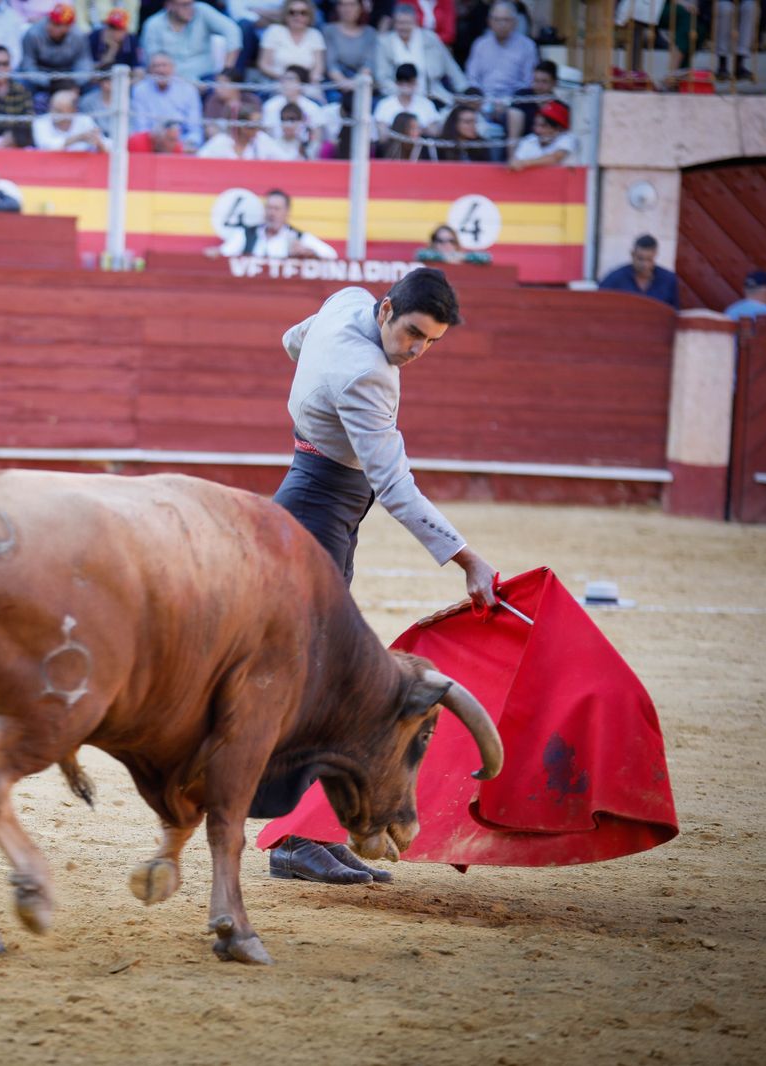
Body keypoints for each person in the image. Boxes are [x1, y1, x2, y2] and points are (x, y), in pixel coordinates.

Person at [268, 267, 499, 885]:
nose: (417, 352)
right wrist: (467, 558)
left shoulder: (345, 301)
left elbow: (295, 340)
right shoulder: (368, 374)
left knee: (314, 671)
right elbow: (395, 484)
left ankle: (305, 830)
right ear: (387, 309)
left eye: (431, 343)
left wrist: (314, 393)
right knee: (315, 678)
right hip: (322, 508)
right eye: (413, 335)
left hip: (312, 493)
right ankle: (291, 837)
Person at [374, 2, 466, 104]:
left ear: (415, 22)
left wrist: (465, 90)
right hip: (396, 98)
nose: (403, 27)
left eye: (407, 23)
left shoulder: (430, 38)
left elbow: (451, 67)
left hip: (432, 95)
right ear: (394, 23)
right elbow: (382, 77)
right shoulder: (385, 43)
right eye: (400, 23)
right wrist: (404, 93)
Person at [211, 188, 336, 258]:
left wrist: (309, 252)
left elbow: (331, 255)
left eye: (276, 209)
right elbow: (224, 254)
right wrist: (215, 254)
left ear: (287, 212)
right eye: (269, 208)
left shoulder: (297, 236)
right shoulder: (246, 234)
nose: (272, 213)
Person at [462, 1, 535, 121]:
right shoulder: (480, 44)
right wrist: (484, 103)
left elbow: (528, 82)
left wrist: (507, 102)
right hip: (482, 102)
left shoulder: (527, 46)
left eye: (506, 20)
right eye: (497, 19)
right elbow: (472, 78)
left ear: (515, 22)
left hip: (515, 103)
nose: (501, 24)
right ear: (489, 21)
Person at [139, 0, 241, 84]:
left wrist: (227, 70)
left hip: (206, 80)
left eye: (191, 3)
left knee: (223, 90)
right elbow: (152, 61)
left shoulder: (202, 10)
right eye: (184, 5)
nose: (190, 9)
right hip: (170, 82)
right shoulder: (153, 24)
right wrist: (184, 83)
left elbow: (232, 30)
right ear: (169, 5)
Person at [129, 52, 203, 149]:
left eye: (164, 65)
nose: (160, 70)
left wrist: (180, 143)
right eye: (156, 66)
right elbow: (140, 127)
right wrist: (157, 139)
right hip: (151, 143)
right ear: (150, 70)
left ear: (173, 68)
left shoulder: (188, 90)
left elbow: (194, 129)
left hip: (181, 144)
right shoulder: (140, 90)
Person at [599, 234, 679, 310]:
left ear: (655, 255)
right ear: (632, 254)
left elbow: (676, 313)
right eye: (640, 259)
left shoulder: (669, 281)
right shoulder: (614, 279)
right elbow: (599, 307)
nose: (645, 264)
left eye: (649, 259)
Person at [20, 3, 91, 85]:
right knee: (22, 82)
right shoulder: (33, 34)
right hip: (41, 76)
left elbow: (84, 63)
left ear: (68, 27)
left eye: (57, 24)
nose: (51, 26)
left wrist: (73, 82)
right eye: (50, 20)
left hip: (69, 77)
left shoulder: (78, 36)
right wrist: (48, 82)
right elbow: (28, 65)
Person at [257, 0, 322, 82]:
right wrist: (287, 79)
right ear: (285, 15)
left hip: (307, 85)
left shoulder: (315, 34)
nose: (297, 17)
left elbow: (318, 67)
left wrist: (312, 82)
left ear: (310, 16)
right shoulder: (274, 31)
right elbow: (264, 64)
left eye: (303, 13)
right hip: (276, 83)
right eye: (292, 12)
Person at [371, 61, 439, 138]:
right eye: (402, 82)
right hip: (393, 148)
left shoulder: (426, 105)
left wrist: (417, 129)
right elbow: (382, 137)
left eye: (409, 81)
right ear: (396, 83)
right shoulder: (385, 105)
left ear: (415, 82)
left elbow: (435, 132)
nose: (406, 85)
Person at [197, 100, 283, 159]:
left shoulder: (262, 139)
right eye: (252, 126)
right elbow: (200, 161)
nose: (256, 130)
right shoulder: (221, 141)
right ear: (239, 126)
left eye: (258, 125)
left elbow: (284, 160)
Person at [31, 86, 106, 151]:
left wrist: (98, 142)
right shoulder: (41, 121)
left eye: (59, 111)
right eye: (52, 108)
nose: (54, 113)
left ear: (73, 110)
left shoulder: (85, 120)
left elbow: (107, 145)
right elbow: (45, 146)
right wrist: (78, 138)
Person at [508, 97, 573, 170]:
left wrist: (524, 163)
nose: (537, 130)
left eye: (543, 126)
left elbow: (555, 158)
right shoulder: (529, 140)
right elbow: (515, 162)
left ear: (558, 128)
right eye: (536, 124)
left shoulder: (567, 138)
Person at [88, 7, 139, 73]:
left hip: (126, 79)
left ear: (125, 30)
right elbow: (90, 70)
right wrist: (112, 49)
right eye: (111, 27)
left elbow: (139, 69)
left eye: (118, 29)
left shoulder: (132, 40)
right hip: (99, 80)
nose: (113, 32)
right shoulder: (95, 37)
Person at [415, 223, 491, 264]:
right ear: (434, 243)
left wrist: (462, 257)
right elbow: (420, 254)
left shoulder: (463, 257)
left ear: (456, 243)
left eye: (451, 241)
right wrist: (446, 257)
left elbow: (486, 257)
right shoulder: (428, 256)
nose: (446, 245)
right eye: (441, 241)